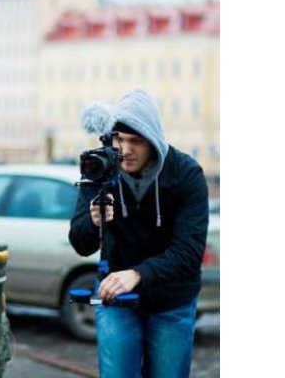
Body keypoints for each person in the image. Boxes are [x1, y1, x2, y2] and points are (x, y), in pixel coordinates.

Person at [68, 89, 209, 378]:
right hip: (115, 298)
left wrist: (137, 274)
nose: (125, 150)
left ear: (153, 141)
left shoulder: (185, 173)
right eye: (119, 139)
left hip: (172, 299)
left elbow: (189, 254)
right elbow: (80, 244)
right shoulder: (100, 167)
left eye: (136, 142)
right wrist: (94, 221)